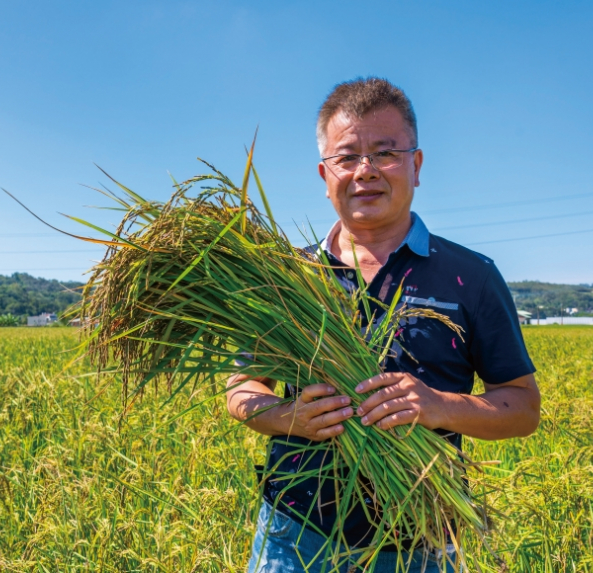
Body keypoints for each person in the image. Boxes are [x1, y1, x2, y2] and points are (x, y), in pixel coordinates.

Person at [226, 77, 541, 573]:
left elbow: (522, 407)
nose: (365, 171)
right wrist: (287, 416)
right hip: (292, 534)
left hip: (419, 540)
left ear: (416, 165)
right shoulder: (288, 279)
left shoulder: (471, 276)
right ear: (324, 174)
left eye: (385, 153)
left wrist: (439, 406)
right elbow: (241, 388)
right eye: (347, 157)